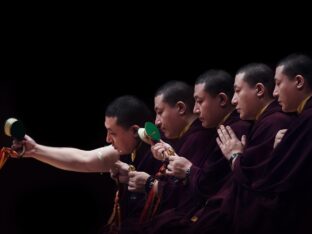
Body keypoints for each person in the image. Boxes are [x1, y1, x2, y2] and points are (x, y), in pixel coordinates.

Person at [11, 95, 160, 233]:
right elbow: (83, 160)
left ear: (134, 131)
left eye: (112, 133)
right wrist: (35, 150)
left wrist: (150, 184)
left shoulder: (166, 153)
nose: (107, 139)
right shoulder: (125, 149)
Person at [181, 63, 297, 234]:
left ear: (259, 90)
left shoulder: (273, 123)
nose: (234, 100)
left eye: (237, 91)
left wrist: (234, 157)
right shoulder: (262, 122)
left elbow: (256, 183)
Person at [142, 69, 252, 233]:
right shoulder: (222, 128)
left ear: (222, 99)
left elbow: (207, 186)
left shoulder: (230, 130)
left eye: (199, 101)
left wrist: (187, 170)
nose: (195, 109)